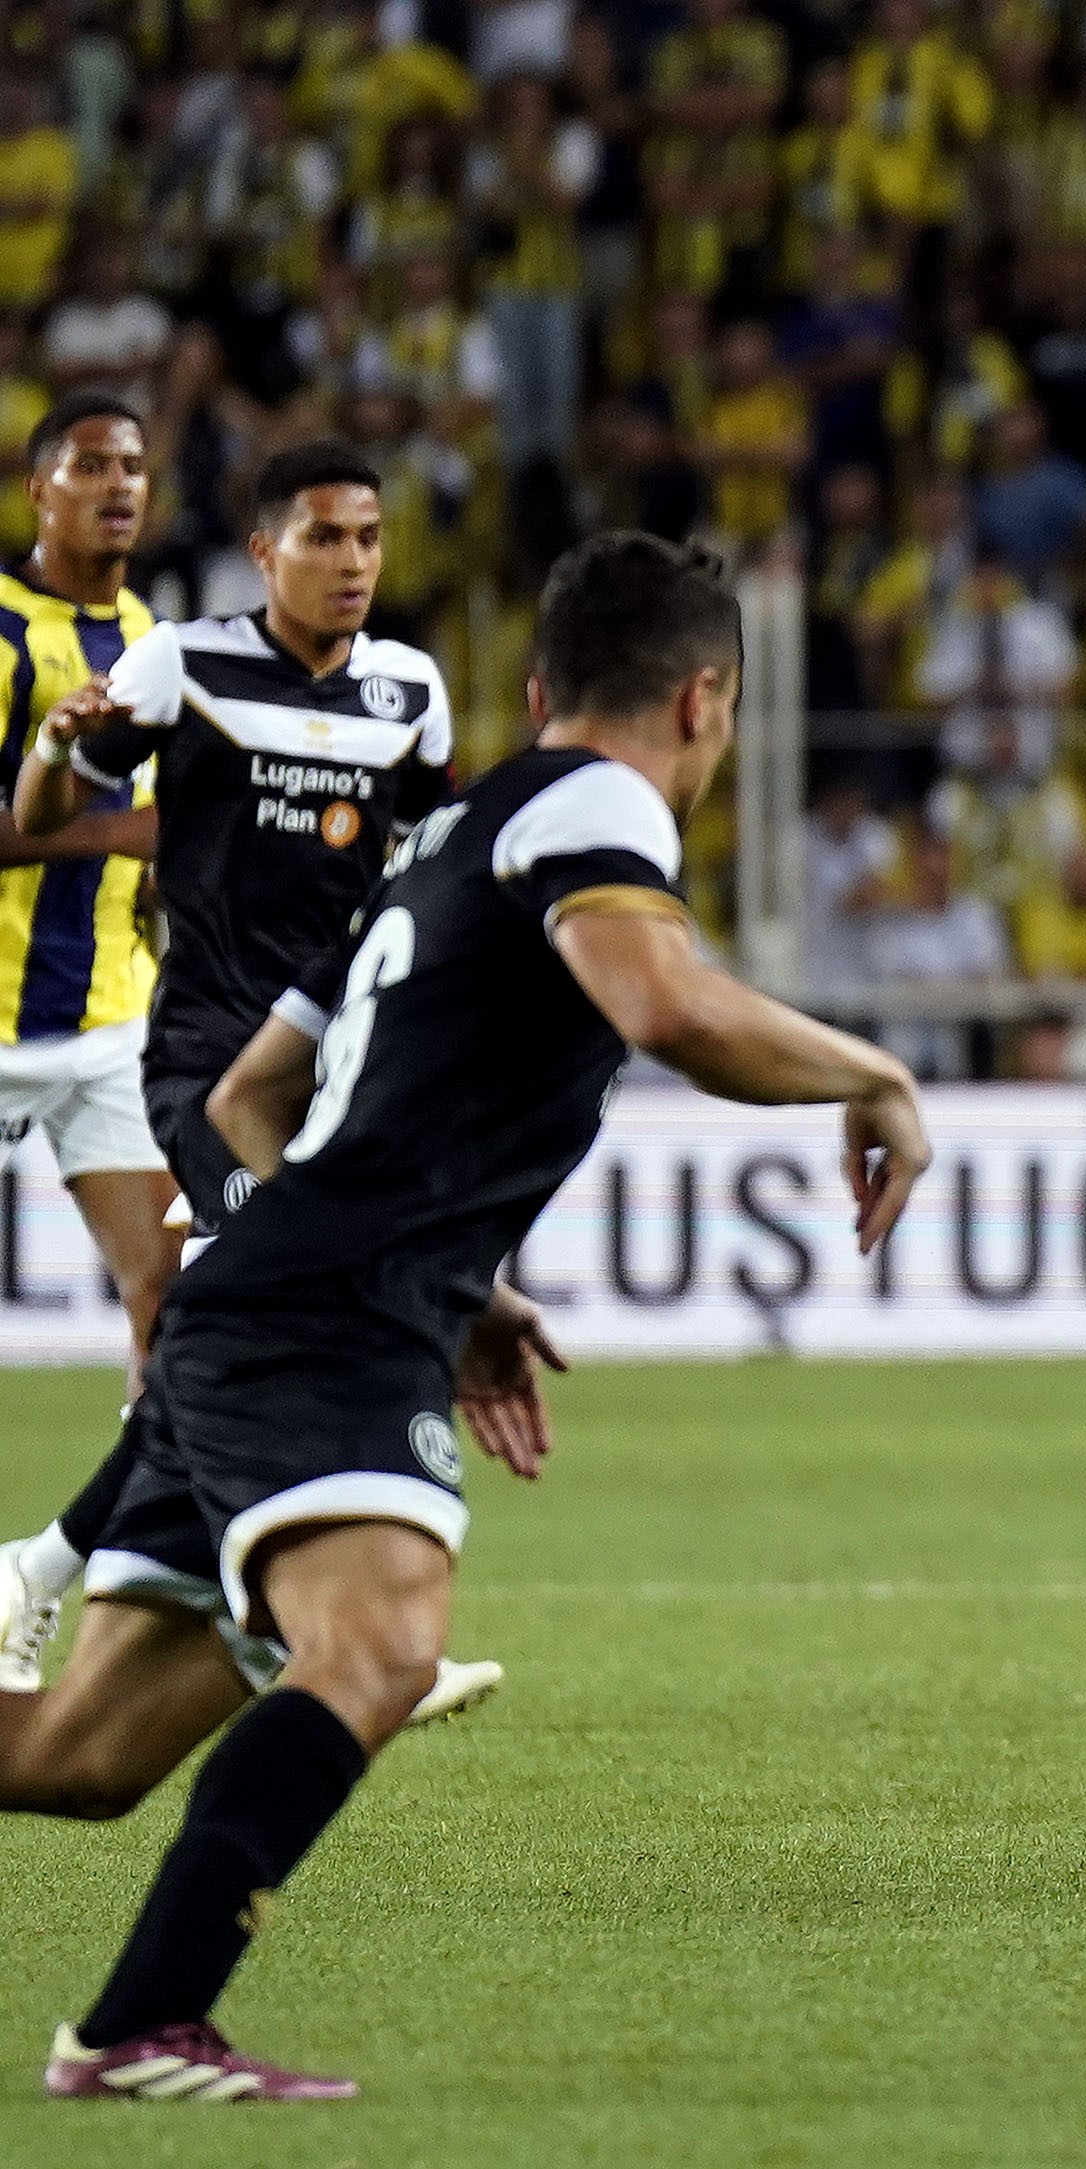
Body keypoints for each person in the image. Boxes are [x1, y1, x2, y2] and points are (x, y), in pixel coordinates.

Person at [12, 530, 934, 2103]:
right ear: (709, 699)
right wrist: (877, 1071)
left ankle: (131, 2032)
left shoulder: (445, 835)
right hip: (323, 1317)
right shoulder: (597, 805)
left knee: (72, 1759)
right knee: (378, 1648)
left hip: (286, 1292)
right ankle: (132, 2032)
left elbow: (253, 1097)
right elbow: (664, 1004)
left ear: (532, 682)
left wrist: (463, 1283)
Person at [5, 440, 499, 1727]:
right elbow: (52, 812)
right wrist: (61, 747)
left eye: (371, 539)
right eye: (326, 539)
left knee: (215, 1334)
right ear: (265, 550)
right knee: (288, 1307)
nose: (353, 564)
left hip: (335, 1069)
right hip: (210, 1060)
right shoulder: (184, 663)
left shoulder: (410, 692)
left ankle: (38, 1572)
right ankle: (306, 1622)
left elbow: (422, 865)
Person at [0, 396, 172, 1510]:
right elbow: (126, 824)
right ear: (39, 491)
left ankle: (133, 1561)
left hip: (110, 1020)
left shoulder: (152, 639)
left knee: (171, 1293)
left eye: (135, 467)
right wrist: (119, 830)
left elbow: (155, 837)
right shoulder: (4, 635)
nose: (119, 485)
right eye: (91, 465)